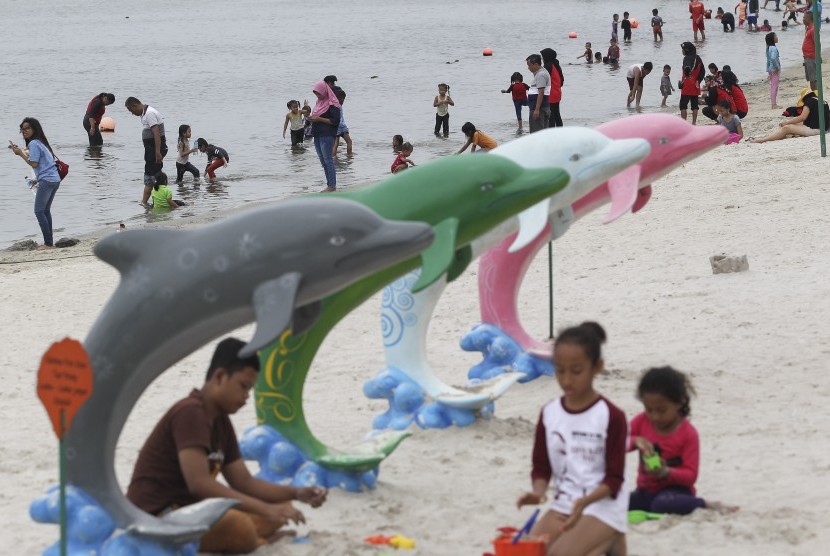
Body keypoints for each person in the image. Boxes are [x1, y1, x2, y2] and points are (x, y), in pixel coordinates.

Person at [126, 338, 327, 554]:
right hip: (159, 517)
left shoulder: (220, 421)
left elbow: (244, 481)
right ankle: (256, 541)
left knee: (283, 507)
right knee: (238, 525)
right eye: (243, 386)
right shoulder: (190, 412)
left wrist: (296, 492)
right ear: (220, 376)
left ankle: (253, 536)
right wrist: (266, 508)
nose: (246, 398)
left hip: (194, 512)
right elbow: (200, 484)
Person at [516, 322, 627, 555]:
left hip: (601, 505)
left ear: (597, 367)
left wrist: (584, 504)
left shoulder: (611, 416)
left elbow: (614, 479)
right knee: (530, 551)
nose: (566, 380)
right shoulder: (549, 414)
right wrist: (538, 492)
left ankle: (610, 536)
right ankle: (603, 546)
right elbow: (542, 466)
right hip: (565, 503)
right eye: (560, 370)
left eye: (576, 371)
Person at [628, 367, 737, 515]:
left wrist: (665, 472)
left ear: (679, 403)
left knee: (662, 504)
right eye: (649, 409)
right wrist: (635, 441)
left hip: (675, 492)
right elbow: (615, 443)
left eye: (662, 410)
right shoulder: (642, 421)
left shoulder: (688, 434)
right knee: (614, 502)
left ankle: (705, 505)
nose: (654, 417)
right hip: (644, 491)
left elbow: (690, 475)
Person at [8, 117, 61, 250]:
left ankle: (48, 244)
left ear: (34, 129)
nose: (24, 131)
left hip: (47, 180)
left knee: (39, 211)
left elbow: (34, 163)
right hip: (54, 179)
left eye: (27, 128)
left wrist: (20, 154)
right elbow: (36, 157)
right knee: (45, 210)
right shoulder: (40, 142)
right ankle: (50, 242)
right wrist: (21, 150)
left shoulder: (34, 144)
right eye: (22, 129)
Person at [125, 97, 168, 205]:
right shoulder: (145, 113)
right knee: (153, 174)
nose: (132, 113)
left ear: (135, 105)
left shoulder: (149, 113)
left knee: (151, 175)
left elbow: (156, 133)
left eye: (131, 110)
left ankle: (149, 202)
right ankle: (152, 201)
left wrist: (158, 152)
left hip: (155, 149)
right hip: (150, 149)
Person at [749, 89, 829, 142]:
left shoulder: (809, 101)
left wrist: (787, 122)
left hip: (817, 130)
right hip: (825, 128)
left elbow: (802, 117)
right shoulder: (823, 101)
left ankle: (762, 140)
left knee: (786, 128)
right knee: (792, 126)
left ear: (804, 98)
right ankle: (788, 135)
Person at [308, 80, 341, 192]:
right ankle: (329, 184)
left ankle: (332, 186)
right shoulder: (319, 103)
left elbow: (335, 121)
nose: (317, 95)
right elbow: (316, 116)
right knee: (323, 161)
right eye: (316, 94)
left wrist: (318, 119)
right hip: (317, 134)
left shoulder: (333, 103)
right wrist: (311, 118)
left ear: (324, 91)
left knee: (328, 160)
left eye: (318, 93)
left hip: (327, 134)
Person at [680, 42, 705, 123]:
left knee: (683, 106)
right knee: (694, 105)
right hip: (695, 85)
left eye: (683, 49)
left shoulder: (686, 58)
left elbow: (686, 68)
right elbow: (703, 72)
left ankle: (684, 123)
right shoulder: (698, 58)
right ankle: (694, 122)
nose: (682, 51)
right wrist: (698, 80)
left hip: (687, 85)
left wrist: (687, 74)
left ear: (687, 50)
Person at [526, 54, 551, 132]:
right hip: (542, 107)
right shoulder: (541, 72)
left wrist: (537, 110)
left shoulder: (541, 75)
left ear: (536, 64)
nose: (528, 68)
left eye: (529, 65)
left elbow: (541, 92)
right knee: (543, 133)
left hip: (540, 109)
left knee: (536, 134)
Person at [541, 48, 565, 127]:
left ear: (547, 56)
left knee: (550, 116)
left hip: (550, 93)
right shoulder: (556, 64)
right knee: (557, 114)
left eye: (543, 57)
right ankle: (560, 131)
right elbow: (562, 81)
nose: (542, 58)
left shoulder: (548, 66)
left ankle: (552, 133)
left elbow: (543, 79)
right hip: (557, 92)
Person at [332, 88, 353, 157]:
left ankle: (334, 158)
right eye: (342, 99)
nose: (343, 101)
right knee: (349, 142)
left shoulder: (334, 105)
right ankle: (349, 156)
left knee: (336, 144)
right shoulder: (338, 106)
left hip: (337, 127)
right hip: (341, 126)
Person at [766, 32, 783, 109]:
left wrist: (768, 70)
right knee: (774, 86)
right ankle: (774, 104)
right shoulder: (773, 48)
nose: (777, 37)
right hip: (774, 69)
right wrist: (776, 67)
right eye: (775, 36)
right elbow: (772, 58)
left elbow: (768, 60)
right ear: (772, 39)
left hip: (771, 69)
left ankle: (774, 103)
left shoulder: (769, 47)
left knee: (774, 86)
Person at [802, 11, 816, 91]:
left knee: (813, 79)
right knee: (811, 79)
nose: (803, 19)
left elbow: (817, 43)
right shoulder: (808, 29)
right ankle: (815, 97)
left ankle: (817, 98)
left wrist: (818, 56)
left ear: (808, 18)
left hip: (811, 58)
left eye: (804, 17)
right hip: (807, 57)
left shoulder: (813, 29)